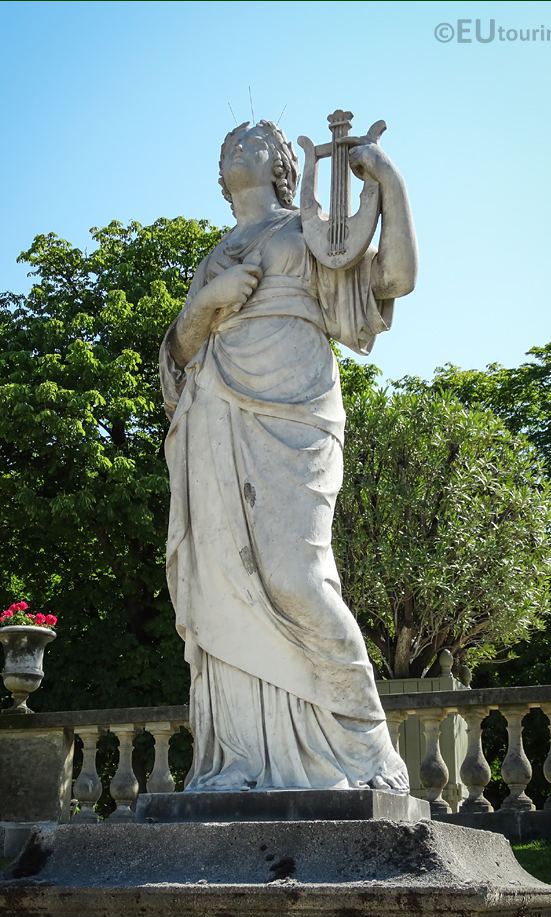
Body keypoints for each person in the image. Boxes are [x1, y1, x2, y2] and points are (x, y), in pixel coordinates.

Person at [160, 118, 417, 793]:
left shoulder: (307, 227)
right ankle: (243, 761)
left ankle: (364, 747)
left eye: (255, 144)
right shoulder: (211, 255)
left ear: (281, 163)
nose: (238, 149)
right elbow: (179, 355)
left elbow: (393, 277)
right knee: (225, 578)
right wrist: (205, 307)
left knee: (293, 574)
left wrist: (387, 182)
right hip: (215, 407)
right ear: (220, 174)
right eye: (227, 146)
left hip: (294, 401)